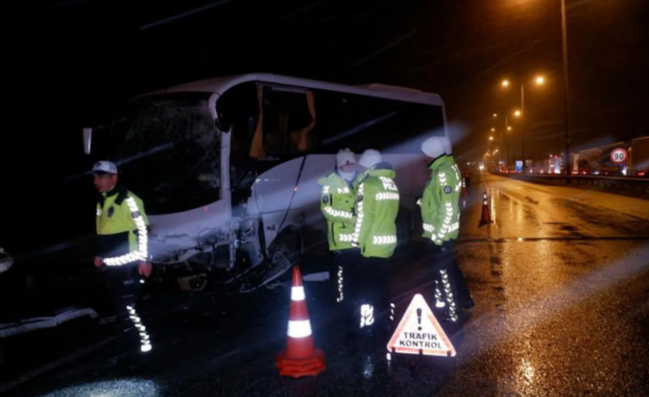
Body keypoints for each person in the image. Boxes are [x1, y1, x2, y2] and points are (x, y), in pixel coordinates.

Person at [92, 160, 153, 353]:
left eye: (101, 177)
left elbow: (142, 231)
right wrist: (100, 255)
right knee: (121, 309)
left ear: (114, 178)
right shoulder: (102, 200)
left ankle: (143, 349)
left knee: (129, 310)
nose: (96, 181)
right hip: (111, 266)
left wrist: (144, 260)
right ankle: (130, 345)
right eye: (95, 177)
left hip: (128, 264)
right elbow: (104, 231)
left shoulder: (128, 200)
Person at [420, 137, 473, 324]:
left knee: (444, 276)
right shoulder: (443, 170)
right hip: (440, 233)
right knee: (449, 271)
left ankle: (453, 314)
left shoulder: (442, 173)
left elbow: (447, 208)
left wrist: (438, 238)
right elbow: (439, 202)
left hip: (441, 235)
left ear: (431, 154)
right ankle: (463, 301)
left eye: (424, 153)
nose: (422, 157)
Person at [350, 149, 400, 337]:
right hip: (387, 244)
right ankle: (385, 323)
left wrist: (356, 242)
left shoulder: (368, 185)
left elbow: (365, 218)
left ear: (367, 165)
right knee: (383, 287)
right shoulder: (390, 183)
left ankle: (368, 327)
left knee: (368, 290)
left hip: (371, 246)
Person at [317, 149, 359, 318]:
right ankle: (342, 308)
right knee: (342, 278)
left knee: (357, 277)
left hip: (359, 240)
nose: (349, 166)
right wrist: (351, 218)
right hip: (341, 241)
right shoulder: (330, 184)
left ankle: (355, 302)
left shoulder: (361, 180)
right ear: (339, 164)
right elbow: (327, 210)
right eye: (345, 163)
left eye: (351, 162)